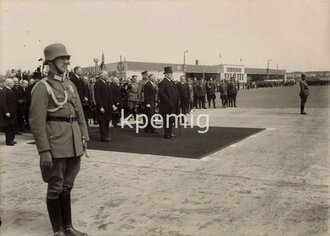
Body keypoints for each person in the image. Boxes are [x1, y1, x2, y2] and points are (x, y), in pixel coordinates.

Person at [29, 43, 89, 236]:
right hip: (55, 144)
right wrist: (43, 150)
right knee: (55, 186)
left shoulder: (70, 85)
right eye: (62, 58)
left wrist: (84, 137)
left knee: (67, 185)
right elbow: (37, 122)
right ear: (51, 62)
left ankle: (68, 227)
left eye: (67, 58)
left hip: (73, 143)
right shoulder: (42, 87)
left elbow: (79, 113)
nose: (67, 61)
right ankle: (58, 230)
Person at [158, 66, 180, 139]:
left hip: (173, 105)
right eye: (170, 74)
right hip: (167, 106)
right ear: (166, 74)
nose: (171, 75)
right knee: (167, 120)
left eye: (171, 74)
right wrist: (168, 101)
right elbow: (161, 93)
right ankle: (167, 134)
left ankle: (170, 132)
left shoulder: (171, 82)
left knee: (171, 120)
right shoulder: (163, 82)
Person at [94, 70, 115, 142]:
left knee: (107, 121)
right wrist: (100, 106)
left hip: (108, 106)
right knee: (102, 122)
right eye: (106, 75)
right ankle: (103, 137)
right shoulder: (98, 84)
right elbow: (97, 96)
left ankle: (106, 136)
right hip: (103, 106)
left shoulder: (106, 83)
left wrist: (112, 104)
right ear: (101, 76)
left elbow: (110, 95)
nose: (107, 76)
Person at [0, 78, 17, 146]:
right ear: (9, 83)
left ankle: (11, 140)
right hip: (8, 113)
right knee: (8, 127)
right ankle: (8, 141)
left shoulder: (9, 90)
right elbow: (3, 103)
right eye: (13, 83)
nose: (14, 84)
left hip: (12, 112)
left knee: (12, 126)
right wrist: (6, 112)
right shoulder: (4, 91)